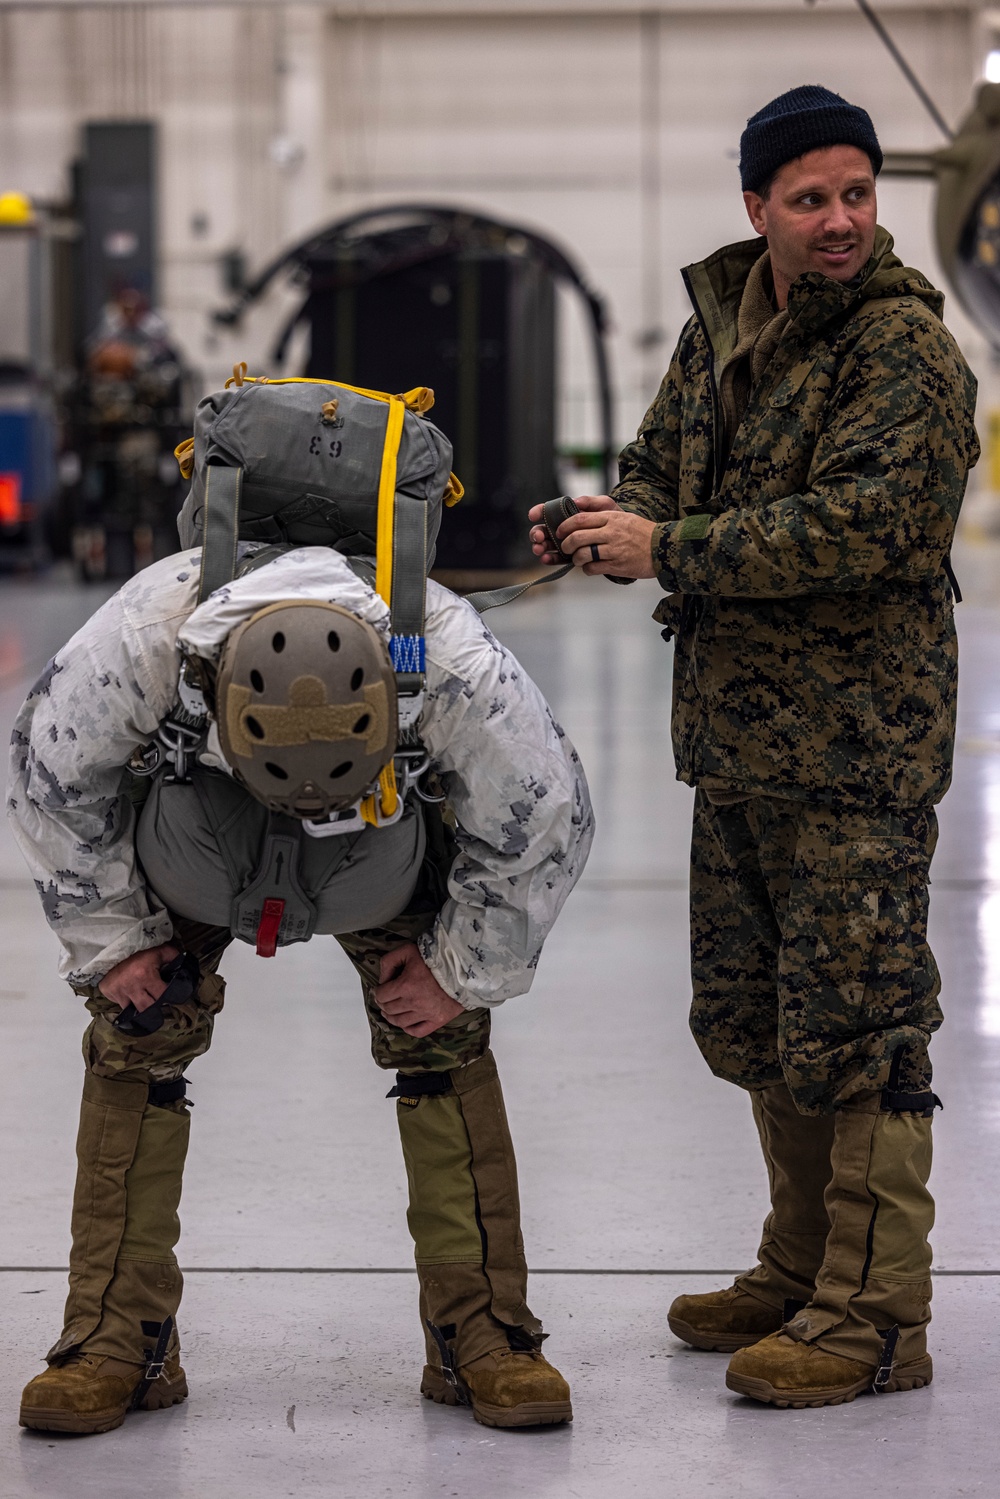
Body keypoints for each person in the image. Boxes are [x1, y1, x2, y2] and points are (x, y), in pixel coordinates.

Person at [530, 85, 979, 1408]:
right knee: (758, 1017)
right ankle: (797, 1267)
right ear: (757, 208)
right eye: (810, 198)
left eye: (856, 193)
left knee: (863, 1026)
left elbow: (866, 523)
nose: (840, 220)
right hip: (737, 742)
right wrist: (620, 517)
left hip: (857, 748)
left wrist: (665, 548)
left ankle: (878, 1315)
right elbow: (665, 462)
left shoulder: (903, 349)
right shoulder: (722, 327)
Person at [8, 543, 593, 1434]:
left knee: (443, 1037)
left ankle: (483, 1332)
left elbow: (546, 811)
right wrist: (118, 942)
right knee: (137, 1034)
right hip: (200, 812)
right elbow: (48, 770)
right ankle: (115, 1335)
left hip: (381, 819)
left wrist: (455, 971)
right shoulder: (154, 633)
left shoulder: (441, 651)